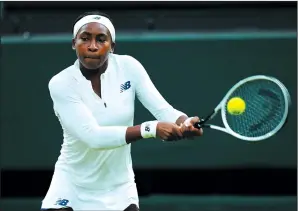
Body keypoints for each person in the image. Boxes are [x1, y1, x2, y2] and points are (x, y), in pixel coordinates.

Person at [41, 11, 203, 211]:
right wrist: (150, 129)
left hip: (118, 188)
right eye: (85, 38)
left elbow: (162, 109)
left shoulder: (129, 67)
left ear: (112, 46)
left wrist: (184, 122)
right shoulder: (61, 83)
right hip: (71, 186)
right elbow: (93, 137)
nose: (92, 46)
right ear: (74, 43)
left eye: (101, 40)